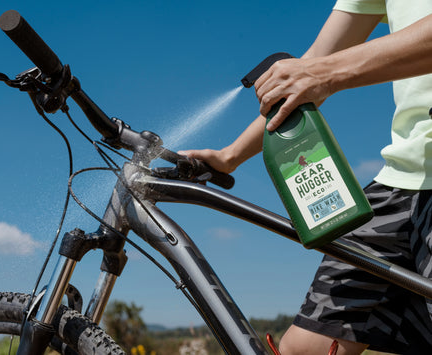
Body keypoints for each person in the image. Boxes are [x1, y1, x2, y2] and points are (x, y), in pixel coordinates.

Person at [179, 1, 432, 354]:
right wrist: (229, 157)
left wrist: (324, 73)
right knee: (305, 347)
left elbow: (318, 70)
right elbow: (313, 62)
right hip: (401, 182)